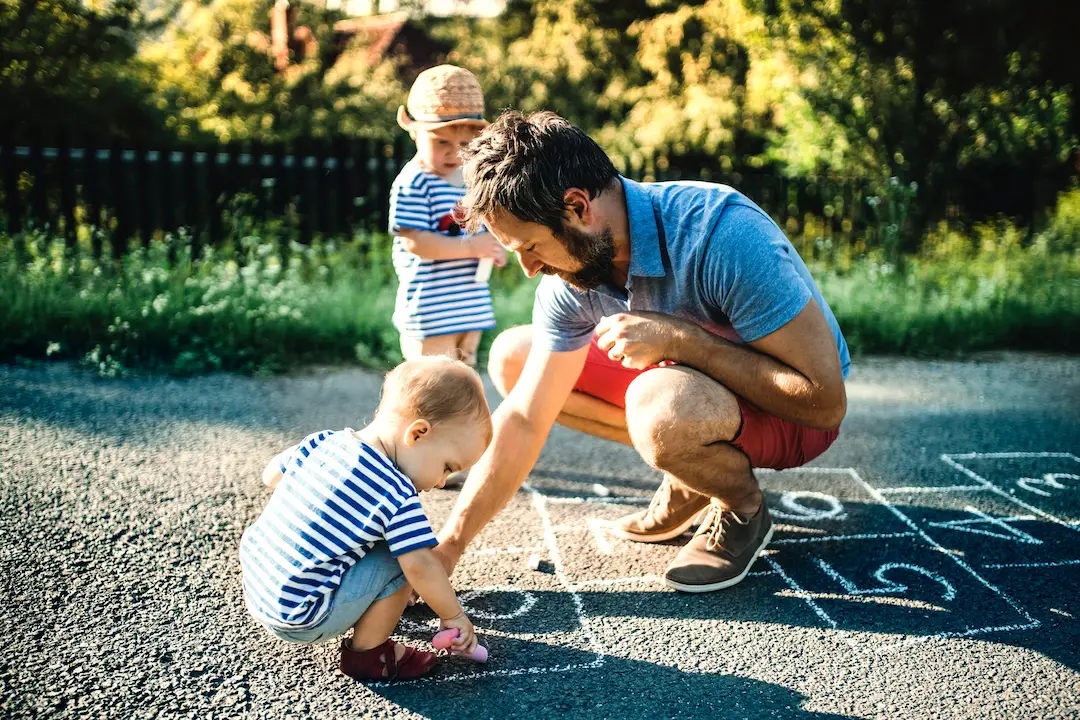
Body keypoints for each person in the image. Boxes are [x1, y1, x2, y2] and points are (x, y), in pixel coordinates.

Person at [431, 110, 850, 593]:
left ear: (578, 206)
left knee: (659, 406)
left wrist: (683, 340)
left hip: (792, 415)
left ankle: (741, 507)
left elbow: (824, 404)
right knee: (515, 356)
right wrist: (449, 547)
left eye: (531, 247)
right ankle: (694, 469)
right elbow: (526, 419)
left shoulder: (721, 235)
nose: (528, 268)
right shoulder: (574, 270)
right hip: (691, 392)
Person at [238, 356, 492, 681]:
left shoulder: (324, 441)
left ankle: (369, 604)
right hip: (302, 615)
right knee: (402, 558)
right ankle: (369, 655)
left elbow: (271, 476)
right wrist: (453, 615)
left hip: (259, 586)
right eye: (447, 466)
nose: (442, 482)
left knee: (381, 540)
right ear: (417, 433)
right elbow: (421, 566)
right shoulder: (396, 491)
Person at [389, 64, 507, 369]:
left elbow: (484, 229)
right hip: (431, 312)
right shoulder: (415, 181)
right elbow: (416, 243)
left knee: (465, 376)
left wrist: (493, 248)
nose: (454, 153)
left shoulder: (470, 180)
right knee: (434, 380)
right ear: (415, 133)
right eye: (441, 142)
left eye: (465, 145)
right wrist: (473, 247)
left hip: (469, 306)